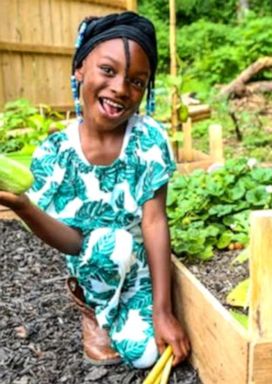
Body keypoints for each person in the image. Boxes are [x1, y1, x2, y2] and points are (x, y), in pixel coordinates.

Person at [0, 11, 190, 369]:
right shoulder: (54, 153)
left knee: (147, 355)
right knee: (110, 243)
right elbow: (73, 241)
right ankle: (93, 311)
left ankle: (125, 309)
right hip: (94, 263)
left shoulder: (148, 139)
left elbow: (154, 222)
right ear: (80, 68)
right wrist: (24, 207)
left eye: (137, 81)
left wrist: (163, 311)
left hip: (139, 263)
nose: (120, 88)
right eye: (108, 70)